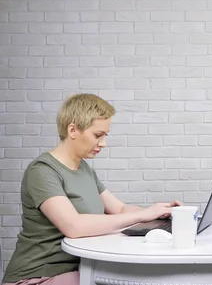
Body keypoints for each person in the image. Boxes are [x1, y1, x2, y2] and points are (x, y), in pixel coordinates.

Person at [2, 93, 182, 285]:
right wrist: (142, 216)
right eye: (98, 135)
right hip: (38, 277)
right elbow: (74, 226)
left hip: (78, 269)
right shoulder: (42, 171)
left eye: (105, 136)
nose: (103, 143)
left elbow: (119, 209)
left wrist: (160, 213)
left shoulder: (84, 168)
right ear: (73, 130)